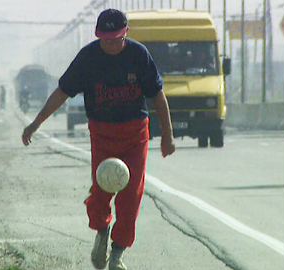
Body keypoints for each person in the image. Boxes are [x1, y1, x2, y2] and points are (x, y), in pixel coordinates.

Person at [22, 9, 175, 270]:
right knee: (100, 191)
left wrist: (168, 136)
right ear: (98, 36)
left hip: (135, 133)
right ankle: (101, 232)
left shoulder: (139, 55)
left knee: (130, 196)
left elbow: (157, 96)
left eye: (115, 38)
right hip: (102, 133)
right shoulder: (88, 57)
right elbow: (62, 92)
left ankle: (117, 253)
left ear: (126, 33)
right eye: (105, 39)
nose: (110, 44)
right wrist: (35, 124)